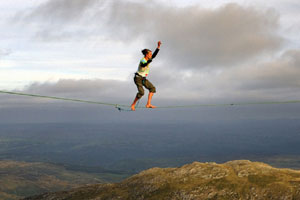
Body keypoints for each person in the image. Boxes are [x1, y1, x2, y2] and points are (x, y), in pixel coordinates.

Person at [131, 41, 162, 111]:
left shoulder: (149, 58)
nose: (151, 55)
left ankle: (148, 104)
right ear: (146, 55)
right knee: (141, 92)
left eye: (151, 54)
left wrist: (158, 47)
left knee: (152, 89)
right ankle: (133, 105)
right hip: (138, 78)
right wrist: (149, 61)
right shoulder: (143, 60)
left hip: (143, 79)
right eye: (150, 54)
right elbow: (143, 65)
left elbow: (154, 55)